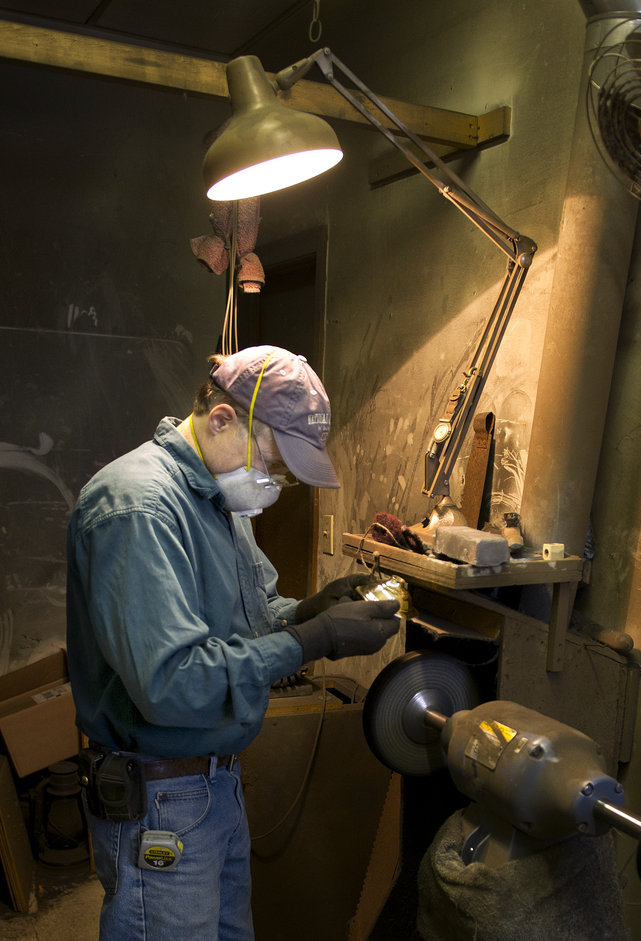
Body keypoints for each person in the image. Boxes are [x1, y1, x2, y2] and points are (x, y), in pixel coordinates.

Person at [66, 345, 399, 941]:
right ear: (222, 419)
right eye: (273, 464)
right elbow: (172, 682)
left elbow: (252, 616)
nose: (273, 484)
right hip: (160, 797)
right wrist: (309, 642)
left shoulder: (220, 499)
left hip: (213, 787)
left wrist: (309, 610)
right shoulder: (140, 507)